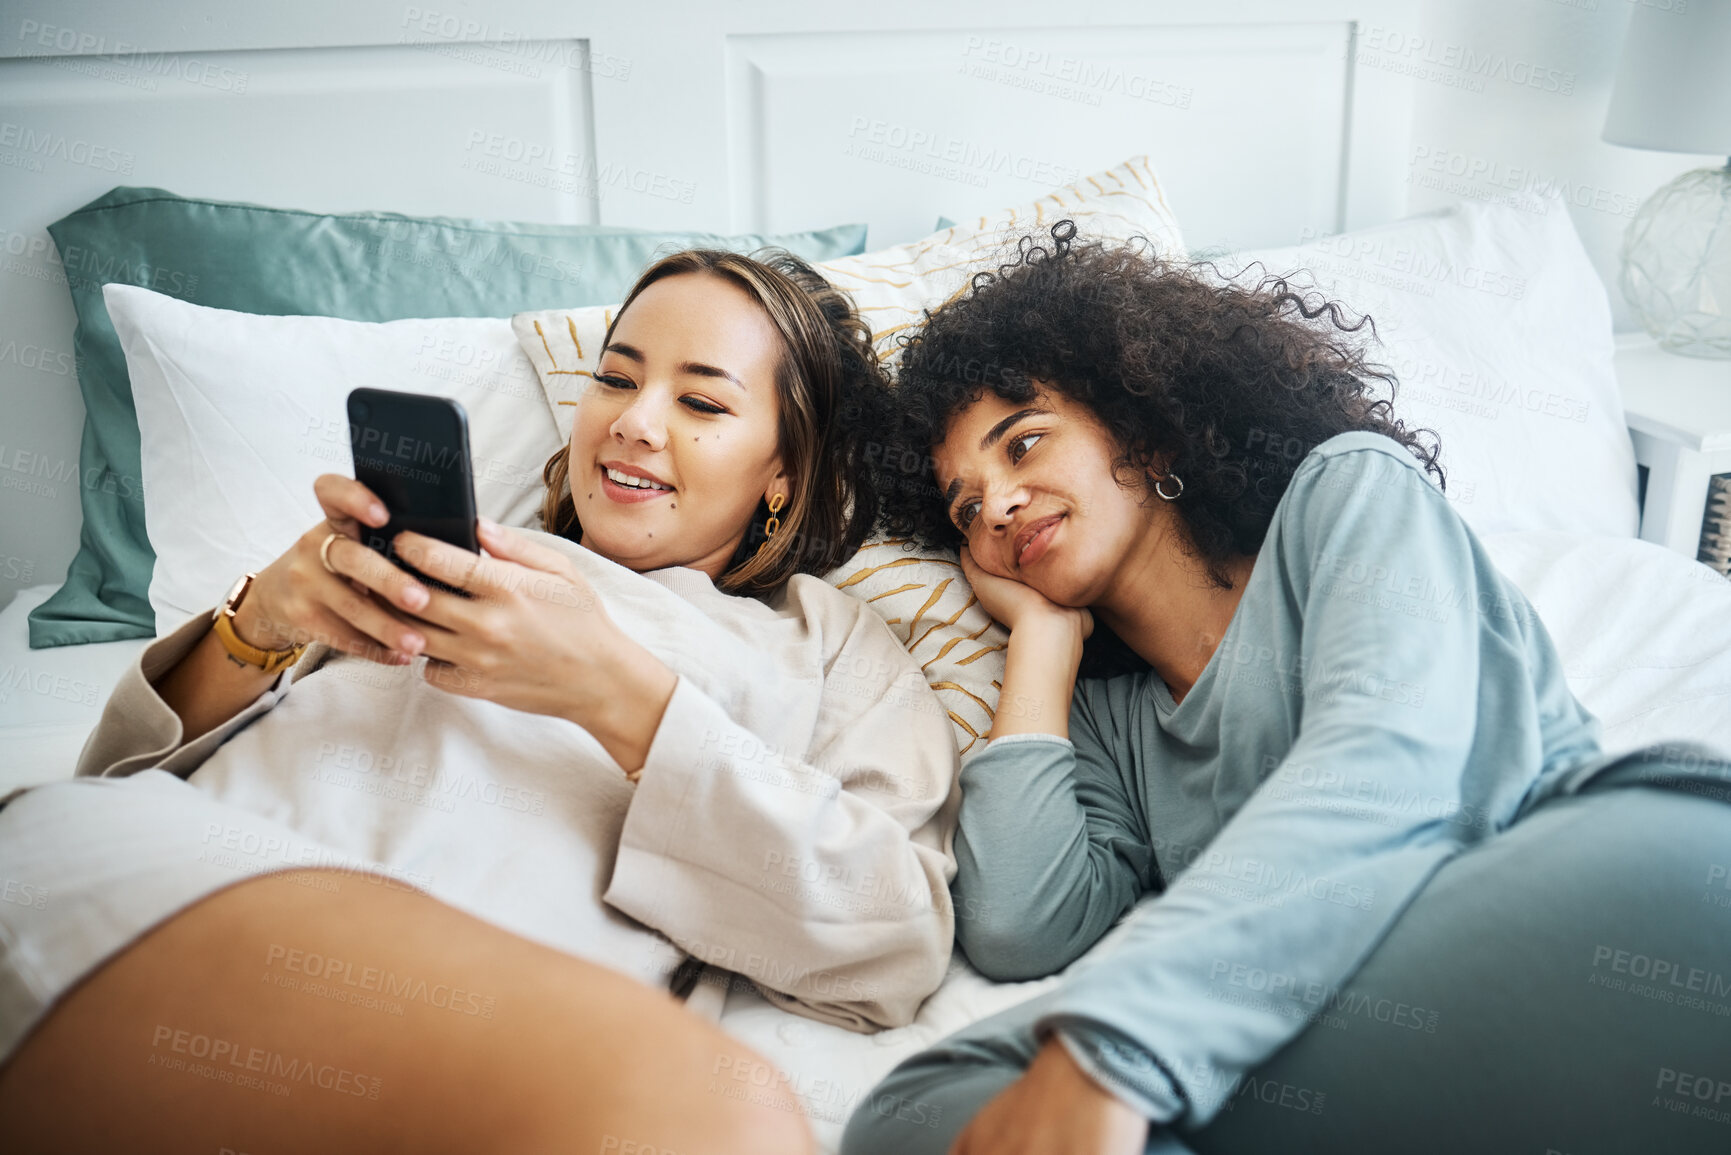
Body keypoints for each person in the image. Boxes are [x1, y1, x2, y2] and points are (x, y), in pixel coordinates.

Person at [0, 249, 963, 1154]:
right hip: (170, 879)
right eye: (616, 379)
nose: (632, 420)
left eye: (702, 399)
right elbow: (112, 782)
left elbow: (891, 944)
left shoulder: (831, 646)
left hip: (465, 1028)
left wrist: (619, 697)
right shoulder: (453, 547)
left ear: (784, 473)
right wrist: (265, 614)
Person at [842, 221, 1731, 1155]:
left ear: (1140, 432)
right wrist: (1039, 640)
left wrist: (1120, 1042)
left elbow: (1386, 764)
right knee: (917, 1109)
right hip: (1371, 1006)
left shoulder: (1344, 494)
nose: (1000, 506)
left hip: (1581, 887)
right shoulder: (1106, 725)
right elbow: (1020, 926)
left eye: (1020, 447)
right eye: (967, 509)